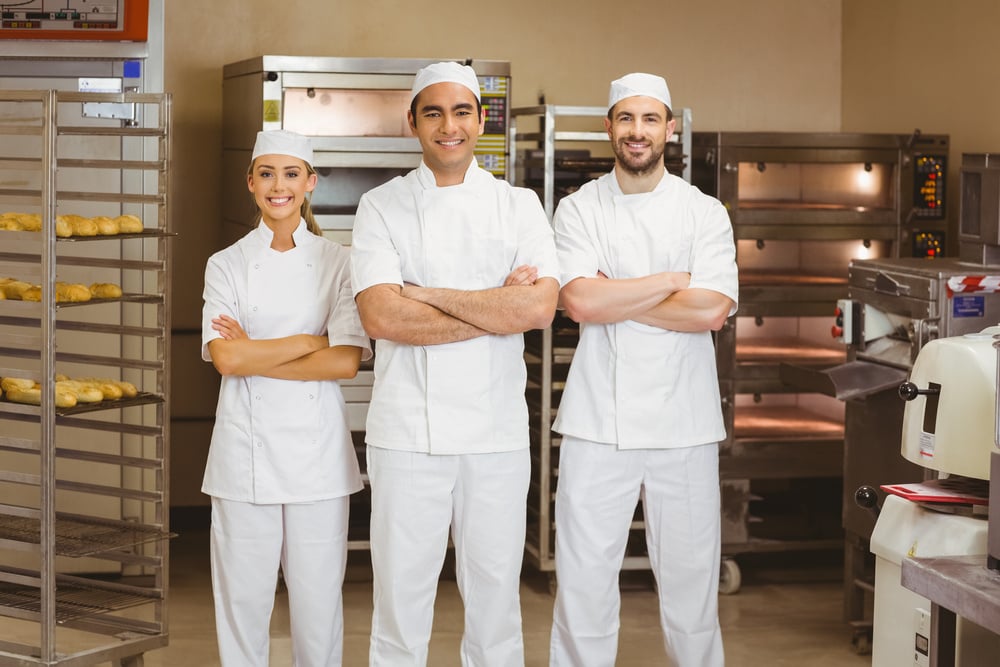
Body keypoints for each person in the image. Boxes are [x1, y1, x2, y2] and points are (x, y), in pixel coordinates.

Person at [350, 61, 559, 666]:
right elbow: (382, 319)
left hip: (494, 433)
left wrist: (422, 292)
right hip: (408, 432)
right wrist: (498, 305)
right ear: (412, 121)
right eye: (434, 112)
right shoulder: (381, 206)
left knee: (496, 600)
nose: (449, 126)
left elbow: (540, 307)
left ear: (481, 120)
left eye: (461, 111)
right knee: (400, 599)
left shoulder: (518, 206)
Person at [548, 73, 738, 667]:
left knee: (690, 586)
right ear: (609, 127)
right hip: (596, 420)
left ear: (670, 129)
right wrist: (667, 283)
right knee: (582, 581)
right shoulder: (578, 208)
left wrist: (617, 294)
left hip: (684, 423)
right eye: (626, 119)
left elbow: (710, 311)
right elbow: (578, 303)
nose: (637, 131)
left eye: (650, 119)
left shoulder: (703, 213)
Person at [201, 129, 372, 667]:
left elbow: (345, 361)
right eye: (268, 174)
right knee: (242, 604)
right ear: (251, 182)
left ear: (310, 183)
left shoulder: (339, 263)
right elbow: (226, 360)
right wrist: (306, 342)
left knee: (319, 608)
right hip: (242, 457)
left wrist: (256, 351)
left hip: (317, 461)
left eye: (291, 174)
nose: (280, 186)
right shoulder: (225, 263)